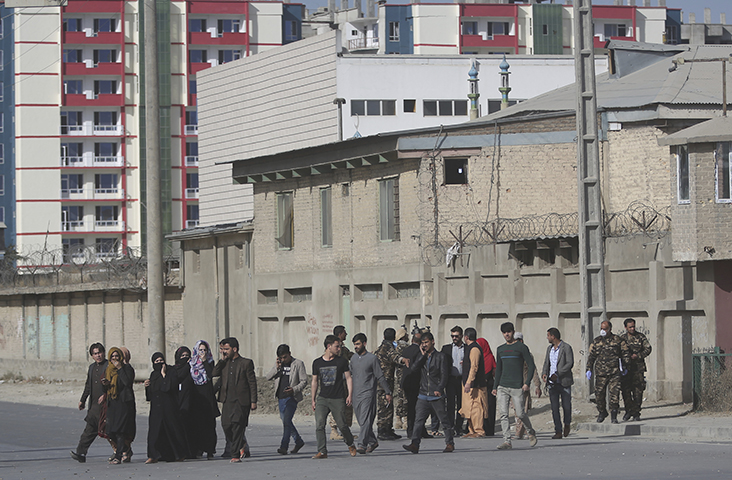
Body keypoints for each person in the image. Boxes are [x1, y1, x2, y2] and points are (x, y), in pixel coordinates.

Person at [402, 331, 455, 454]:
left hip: (435, 394)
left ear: (433, 342)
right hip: (423, 394)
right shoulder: (422, 356)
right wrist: (421, 356)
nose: (424, 345)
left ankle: (449, 443)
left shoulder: (440, 356)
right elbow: (413, 369)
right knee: (418, 421)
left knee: (444, 420)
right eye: (422, 343)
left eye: (426, 342)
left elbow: (444, 375)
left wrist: (439, 388)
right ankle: (415, 444)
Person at [493, 322, 538, 450]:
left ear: (513, 332)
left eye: (509, 331)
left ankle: (530, 431)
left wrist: (527, 383)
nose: (506, 334)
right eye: (504, 332)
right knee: (503, 414)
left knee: (520, 413)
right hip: (503, 386)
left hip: (517, 387)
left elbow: (531, 365)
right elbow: (498, 370)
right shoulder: (500, 349)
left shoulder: (521, 347)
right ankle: (507, 441)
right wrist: (495, 387)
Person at [311, 334, 357, 459]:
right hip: (323, 398)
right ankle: (322, 451)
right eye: (337, 347)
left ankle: (350, 443)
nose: (339, 349)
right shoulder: (317, 362)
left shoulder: (341, 361)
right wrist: (313, 399)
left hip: (338, 398)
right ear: (328, 346)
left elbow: (348, 378)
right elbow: (314, 382)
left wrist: (350, 395)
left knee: (342, 425)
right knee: (319, 425)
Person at [212, 337, 258, 463]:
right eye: (222, 349)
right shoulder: (224, 363)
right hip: (227, 400)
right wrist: (222, 360)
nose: (224, 352)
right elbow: (214, 373)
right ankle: (241, 443)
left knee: (237, 425)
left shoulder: (246, 363)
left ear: (234, 349)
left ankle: (235, 454)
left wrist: (253, 401)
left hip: (241, 401)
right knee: (226, 425)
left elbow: (252, 383)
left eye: (226, 349)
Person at [350, 333, 392, 454]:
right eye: (354, 345)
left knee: (365, 420)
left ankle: (361, 444)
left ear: (364, 343)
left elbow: (380, 376)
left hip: (368, 394)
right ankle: (373, 441)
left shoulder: (372, 359)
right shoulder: (353, 358)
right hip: (356, 394)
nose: (356, 347)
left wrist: (387, 392)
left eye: (358, 344)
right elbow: (349, 375)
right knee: (362, 421)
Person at [71, 343, 112, 463]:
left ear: (104, 353)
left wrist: (106, 395)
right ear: (92, 356)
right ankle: (81, 453)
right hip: (94, 406)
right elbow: (88, 386)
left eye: (99, 352)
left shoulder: (109, 367)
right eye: (95, 353)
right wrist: (82, 400)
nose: (98, 355)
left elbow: (114, 385)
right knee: (89, 430)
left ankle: (123, 451)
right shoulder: (91, 368)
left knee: (110, 431)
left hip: (107, 405)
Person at [145, 352, 187, 463]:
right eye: (156, 361)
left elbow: (167, 388)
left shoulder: (172, 372)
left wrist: (164, 375)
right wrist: (147, 387)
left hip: (169, 408)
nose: (159, 363)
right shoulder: (153, 375)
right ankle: (153, 455)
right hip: (156, 409)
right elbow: (150, 396)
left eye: (161, 360)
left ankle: (178, 455)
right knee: (155, 433)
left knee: (173, 431)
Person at [587, 320, 631, 424]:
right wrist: (589, 369)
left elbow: (625, 354)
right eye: (602, 329)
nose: (603, 331)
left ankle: (614, 416)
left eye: (605, 329)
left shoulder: (618, 340)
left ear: (610, 329)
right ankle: (602, 412)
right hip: (601, 374)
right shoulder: (596, 341)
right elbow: (591, 356)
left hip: (614, 373)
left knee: (614, 396)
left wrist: (625, 366)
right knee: (598, 395)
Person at [266, 344, 307, 455]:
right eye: (281, 358)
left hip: (292, 397)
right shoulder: (279, 365)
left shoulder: (298, 364)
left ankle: (284, 446)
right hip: (281, 397)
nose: (283, 359)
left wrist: (294, 389)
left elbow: (304, 381)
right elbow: (268, 377)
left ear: (289, 354)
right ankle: (298, 441)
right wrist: (277, 367)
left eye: (285, 357)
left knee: (286, 421)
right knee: (286, 421)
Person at [104, 347, 136, 464]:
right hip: (113, 402)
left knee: (120, 431)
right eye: (112, 357)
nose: (115, 359)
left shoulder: (127, 368)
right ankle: (126, 450)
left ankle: (118, 456)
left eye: (117, 356)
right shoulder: (109, 370)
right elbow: (107, 387)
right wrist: (106, 384)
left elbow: (127, 382)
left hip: (124, 403)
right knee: (110, 431)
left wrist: (120, 369)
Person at [375, 327, 408, 440]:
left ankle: (388, 430)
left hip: (382, 381)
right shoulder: (387, 348)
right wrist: (404, 360)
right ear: (394, 337)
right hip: (385, 381)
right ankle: (383, 430)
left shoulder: (380, 348)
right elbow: (395, 357)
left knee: (387, 406)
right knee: (385, 406)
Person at [541, 327, 574, 439]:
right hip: (552, 383)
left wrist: (558, 374)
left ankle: (567, 423)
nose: (547, 338)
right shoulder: (549, 349)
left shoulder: (566, 348)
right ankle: (558, 430)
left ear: (553, 336)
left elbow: (569, 363)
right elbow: (547, 362)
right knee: (555, 408)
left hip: (563, 382)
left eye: (548, 335)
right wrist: (544, 373)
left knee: (566, 406)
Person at [188, 340, 219, 458]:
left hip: (208, 396)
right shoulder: (191, 363)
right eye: (200, 350)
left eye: (205, 350)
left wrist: (205, 361)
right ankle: (198, 449)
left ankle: (210, 449)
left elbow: (211, 374)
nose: (202, 352)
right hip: (196, 397)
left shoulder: (210, 362)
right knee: (197, 424)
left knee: (210, 425)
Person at [459, 327, 489, 438]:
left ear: (466, 337)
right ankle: (471, 430)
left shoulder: (475, 349)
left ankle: (479, 430)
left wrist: (469, 382)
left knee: (476, 408)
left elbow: (474, 367)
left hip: (475, 386)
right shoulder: (469, 348)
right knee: (468, 408)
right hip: (468, 384)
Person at [620, 318, 652, 421]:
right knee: (626, 392)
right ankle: (628, 411)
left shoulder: (640, 337)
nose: (632, 328)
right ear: (626, 328)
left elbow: (648, 348)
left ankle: (636, 413)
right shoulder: (622, 339)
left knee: (638, 392)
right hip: (626, 369)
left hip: (638, 369)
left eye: (633, 326)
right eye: (630, 327)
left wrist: (638, 356)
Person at [512, 332, 541, 440]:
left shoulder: (527, 354)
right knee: (516, 410)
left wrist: (537, 385)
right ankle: (521, 431)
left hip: (524, 386)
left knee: (522, 410)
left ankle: (520, 432)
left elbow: (533, 370)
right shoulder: (512, 353)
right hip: (513, 386)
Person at [329, 325, 354, 440]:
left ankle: (346, 431)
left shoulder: (343, 348)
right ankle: (333, 430)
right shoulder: (333, 347)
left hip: (345, 381)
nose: (346, 334)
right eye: (344, 332)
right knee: (336, 405)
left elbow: (350, 356)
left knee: (347, 405)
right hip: (336, 381)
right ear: (340, 334)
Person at [440, 325, 465, 437]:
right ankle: (450, 426)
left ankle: (458, 426)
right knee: (450, 404)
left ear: (461, 336)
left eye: (456, 336)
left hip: (462, 380)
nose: (454, 338)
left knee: (461, 404)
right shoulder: (446, 348)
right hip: (450, 380)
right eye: (452, 336)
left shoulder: (467, 348)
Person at [173, 346, 195, 459]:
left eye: (187, 356)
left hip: (190, 402)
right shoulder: (174, 369)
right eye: (182, 356)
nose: (185, 358)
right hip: (177, 402)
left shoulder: (193, 368)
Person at [401, 329, 423, 438]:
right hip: (416, 382)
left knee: (410, 406)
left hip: (406, 382)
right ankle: (416, 430)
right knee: (418, 407)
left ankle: (411, 430)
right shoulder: (419, 352)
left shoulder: (406, 350)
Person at [476, 337, 497, 436]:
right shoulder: (477, 357)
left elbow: (493, 371)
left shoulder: (489, 357)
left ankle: (489, 430)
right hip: (478, 387)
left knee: (489, 407)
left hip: (488, 387)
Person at [393, 327, 410, 430]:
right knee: (406, 398)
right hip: (406, 375)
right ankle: (406, 420)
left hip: (398, 375)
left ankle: (398, 419)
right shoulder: (407, 348)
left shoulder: (395, 348)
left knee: (399, 397)